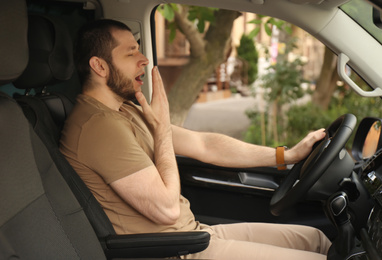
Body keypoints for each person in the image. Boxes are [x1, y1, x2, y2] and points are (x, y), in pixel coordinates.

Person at [60, 19, 330, 260]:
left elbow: (204, 145)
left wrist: (287, 155)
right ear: (99, 66)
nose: (143, 59)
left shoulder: (125, 109)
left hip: (194, 235)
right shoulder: (98, 126)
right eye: (131, 53)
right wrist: (162, 130)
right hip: (174, 251)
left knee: (317, 240)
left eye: (139, 49)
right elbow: (166, 210)